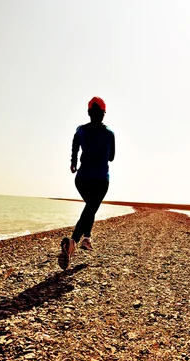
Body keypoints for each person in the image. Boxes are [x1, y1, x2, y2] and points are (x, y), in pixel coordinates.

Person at [58, 97, 115, 269]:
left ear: (89, 113)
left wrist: (73, 162)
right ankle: (74, 241)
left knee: (90, 207)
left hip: (81, 179)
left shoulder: (80, 131)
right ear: (103, 114)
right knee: (91, 207)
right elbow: (111, 157)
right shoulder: (109, 133)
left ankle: (87, 239)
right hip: (101, 180)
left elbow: (74, 147)